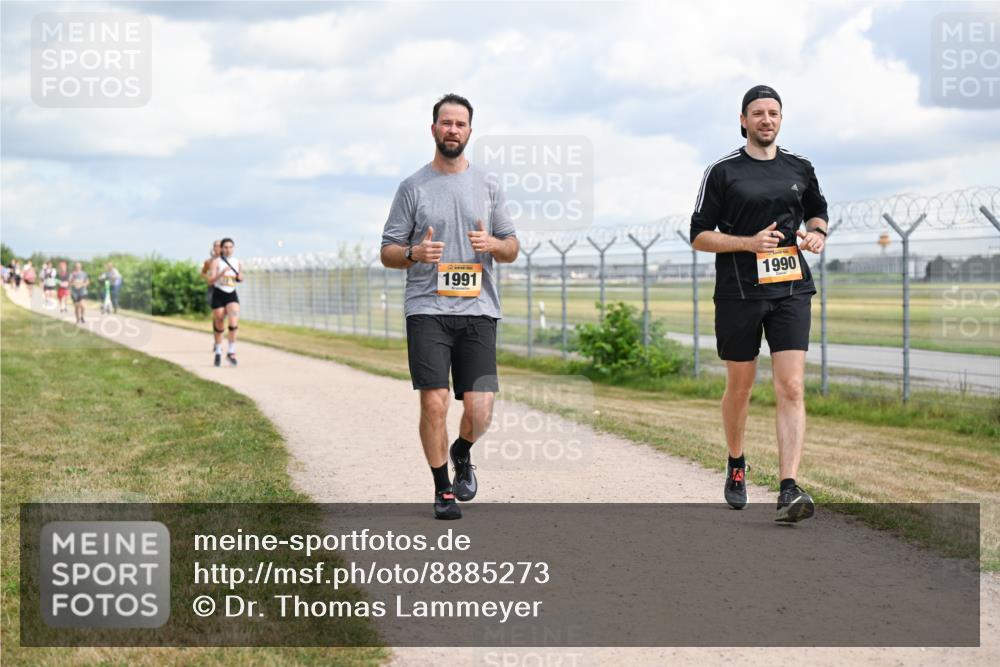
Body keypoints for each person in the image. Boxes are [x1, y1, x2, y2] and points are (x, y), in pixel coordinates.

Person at [690, 85, 828, 523]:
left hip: (790, 288)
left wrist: (816, 233)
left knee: (791, 386)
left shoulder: (800, 167)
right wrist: (748, 244)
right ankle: (736, 463)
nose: (766, 120)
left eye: (773, 113)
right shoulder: (724, 171)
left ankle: (788, 487)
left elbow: (818, 212)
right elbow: (698, 235)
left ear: (781, 119)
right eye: (757, 113)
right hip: (738, 293)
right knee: (741, 388)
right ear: (743, 120)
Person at [380, 94, 519, 520]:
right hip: (427, 307)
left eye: (460, 124)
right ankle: (442, 489)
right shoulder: (413, 187)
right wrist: (414, 254)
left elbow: (512, 247)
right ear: (434, 129)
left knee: (480, 408)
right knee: (434, 401)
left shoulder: (490, 186)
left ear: (470, 131)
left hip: (477, 309)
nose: (452, 130)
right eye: (446, 123)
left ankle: (462, 451)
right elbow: (387, 250)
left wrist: (492, 245)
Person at [208, 238, 242, 367]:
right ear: (221, 248)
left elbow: (241, 277)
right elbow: (210, 281)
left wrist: (239, 277)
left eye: (230, 247)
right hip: (219, 294)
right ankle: (218, 350)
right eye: (226, 247)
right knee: (220, 323)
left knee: (233, 323)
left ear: (233, 248)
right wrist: (221, 273)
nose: (228, 249)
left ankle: (231, 352)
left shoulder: (237, 262)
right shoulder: (216, 262)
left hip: (231, 294)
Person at [201, 240, 221, 310]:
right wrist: (208, 278)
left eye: (220, 246)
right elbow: (203, 273)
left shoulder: (228, 261)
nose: (219, 248)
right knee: (214, 307)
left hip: (224, 287)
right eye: (217, 246)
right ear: (213, 248)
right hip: (212, 288)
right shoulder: (208, 261)